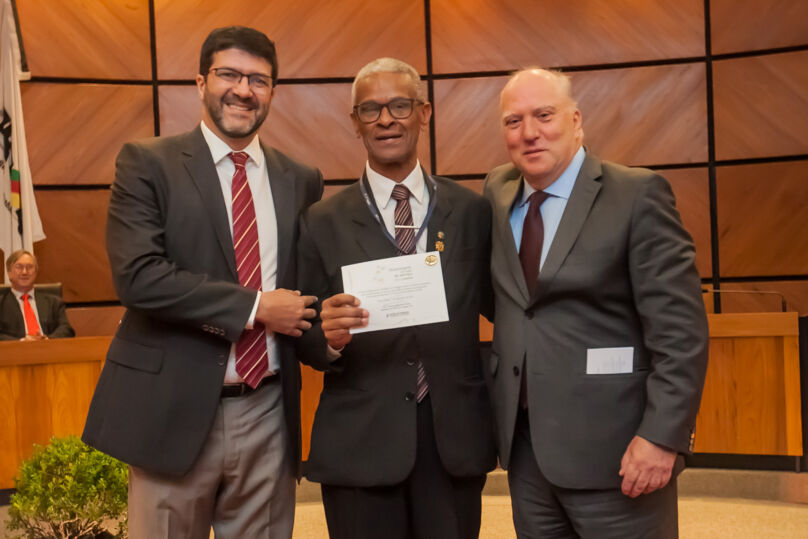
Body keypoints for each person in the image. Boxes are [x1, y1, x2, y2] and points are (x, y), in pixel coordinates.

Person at [82, 26, 323, 539]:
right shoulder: (148, 163)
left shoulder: (301, 178)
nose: (243, 90)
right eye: (229, 74)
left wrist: (334, 330)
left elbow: (305, 288)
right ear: (199, 82)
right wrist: (256, 306)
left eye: (259, 79)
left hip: (268, 409)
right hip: (173, 410)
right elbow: (139, 277)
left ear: (273, 91)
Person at [483, 68, 709, 538]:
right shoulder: (498, 193)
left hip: (620, 456)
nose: (529, 133)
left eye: (544, 115)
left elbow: (680, 333)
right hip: (527, 456)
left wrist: (661, 437)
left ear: (576, 120)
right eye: (513, 121)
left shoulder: (636, 195)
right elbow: (513, 304)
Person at [296, 57, 496, 539]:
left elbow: (509, 308)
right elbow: (302, 335)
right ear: (355, 123)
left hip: (452, 435)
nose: (386, 119)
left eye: (399, 105)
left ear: (424, 113)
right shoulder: (321, 221)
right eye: (370, 109)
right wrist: (328, 338)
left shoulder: (472, 211)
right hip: (360, 441)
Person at [0, 249, 74, 340]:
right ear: (9, 273)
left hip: (49, 350)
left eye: (29, 267)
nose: (24, 272)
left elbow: (66, 329)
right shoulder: (1, 304)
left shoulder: (53, 302)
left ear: (35, 272)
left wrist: (47, 339)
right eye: (19, 267)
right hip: (14, 352)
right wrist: (22, 341)